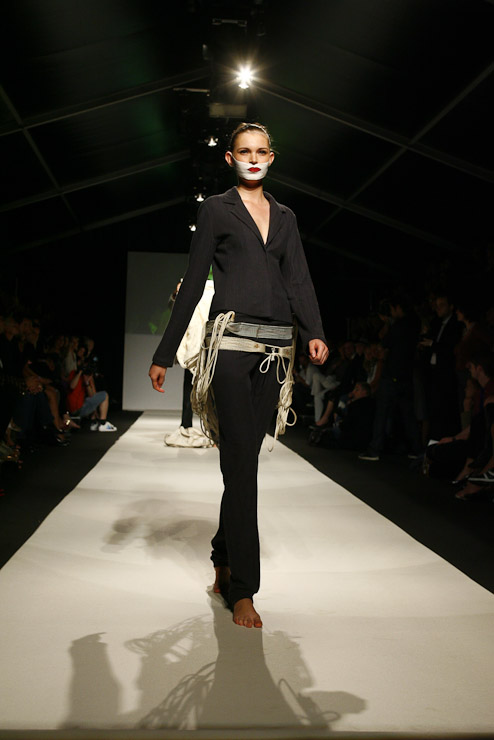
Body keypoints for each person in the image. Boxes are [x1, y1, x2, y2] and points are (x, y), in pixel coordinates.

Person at [149, 122, 328, 628]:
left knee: (243, 463)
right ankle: (244, 590)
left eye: (261, 151)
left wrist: (314, 330)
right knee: (241, 465)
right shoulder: (216, 209)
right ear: (230, 158)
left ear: (272, 157)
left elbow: (299, 278)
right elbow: (193, 283)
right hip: (229, 349)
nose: (253, 158)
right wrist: (165, 352)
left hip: (275, 353)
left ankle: (222, 557)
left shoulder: (286, 217)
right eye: (244, 151)